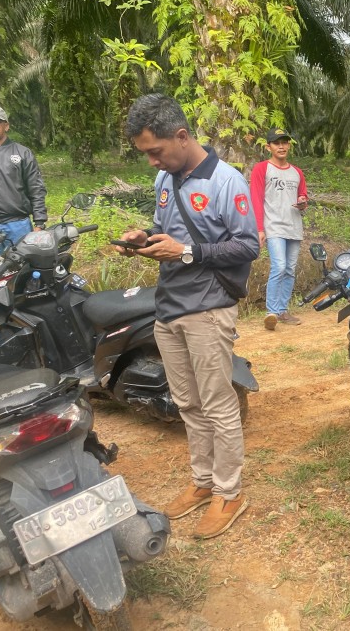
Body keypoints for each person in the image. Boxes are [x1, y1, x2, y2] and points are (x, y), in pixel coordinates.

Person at [115, 94, 259, 539]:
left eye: (155, 151)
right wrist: (145, 237)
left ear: (181, 136)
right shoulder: (166, 177)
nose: (152, 161)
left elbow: (248, 245)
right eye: (146, 154)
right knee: (188, 404)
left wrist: (187, 251)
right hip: (169, 307)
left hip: (208, 310)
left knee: (217, 404)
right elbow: (168, 230)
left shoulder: (226, 181)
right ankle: (203, 481)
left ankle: (229, 492)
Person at [249, 127, 309, 330]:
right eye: (277, 143)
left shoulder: (297, 172)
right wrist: (259, 228)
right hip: (273, 226)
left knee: (290, 269)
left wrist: (302, 202)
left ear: (289, 145)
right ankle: (271, 312)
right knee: (279, 266)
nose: (281, 146)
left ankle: (282, 311)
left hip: (294, 226)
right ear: (269, 147)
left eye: (284, 142)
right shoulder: (261, 169)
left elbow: (303, 195)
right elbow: (256, 199)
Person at [0, 105, 48, 257]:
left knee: (22, 267)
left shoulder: (23, 153)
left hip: (17, 225)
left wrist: (39, 223)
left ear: (6, 126)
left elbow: (36, 189)